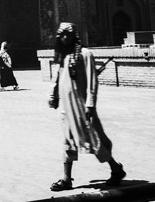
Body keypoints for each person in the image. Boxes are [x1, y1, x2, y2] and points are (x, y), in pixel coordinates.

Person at [48, 22, 126, 192]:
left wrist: (90, 104)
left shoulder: (84, 54)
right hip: (67, 108)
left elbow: (92, 81)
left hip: (82, 108)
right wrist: (53, 95)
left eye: (67, 34)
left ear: (74, 35)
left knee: (94, 140)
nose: (64, 38)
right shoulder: (62, 56)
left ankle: (116, 169)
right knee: (67, 141)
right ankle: (66, 179)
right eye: (61, 35)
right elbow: (57, 77)